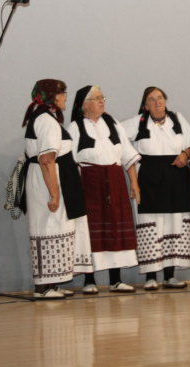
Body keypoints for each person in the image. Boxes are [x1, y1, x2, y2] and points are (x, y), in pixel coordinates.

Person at [20, 79, 93, 299]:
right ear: (53, 96)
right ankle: (43, 286)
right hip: (48, 180)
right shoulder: (46, 120)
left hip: (54, 177)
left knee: (56, 227)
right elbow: (47, 160)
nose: (66, 98)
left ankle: (51, 282)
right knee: (48, 226)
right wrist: (54, 193)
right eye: (63, 94)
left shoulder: (47, 118)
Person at [67, 85, 141, 294]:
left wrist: (134, 183)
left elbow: (128, 155)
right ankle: (89, 281)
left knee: (116, 227)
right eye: (97, 98)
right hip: (89, 184)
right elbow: (69, 164)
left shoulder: (113, 123)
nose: (102, 101)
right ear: (85, 104)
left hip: (115, 181)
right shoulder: (75, 127)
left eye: (102, 97)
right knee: (90, 230)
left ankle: (115, 280)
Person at [122, 87, 190, 291]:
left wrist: (185, 154)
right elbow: (117, 137)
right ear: (145, 105)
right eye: (151, 100)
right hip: (149, 180)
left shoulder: (177, 119)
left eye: (160, 98)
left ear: (165, 100)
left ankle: (170, 276)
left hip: (176, 179)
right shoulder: (138, 123)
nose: (157, 102)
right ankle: (151, 277)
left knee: (173, 225)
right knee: (152, 226)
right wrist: (134, 167)